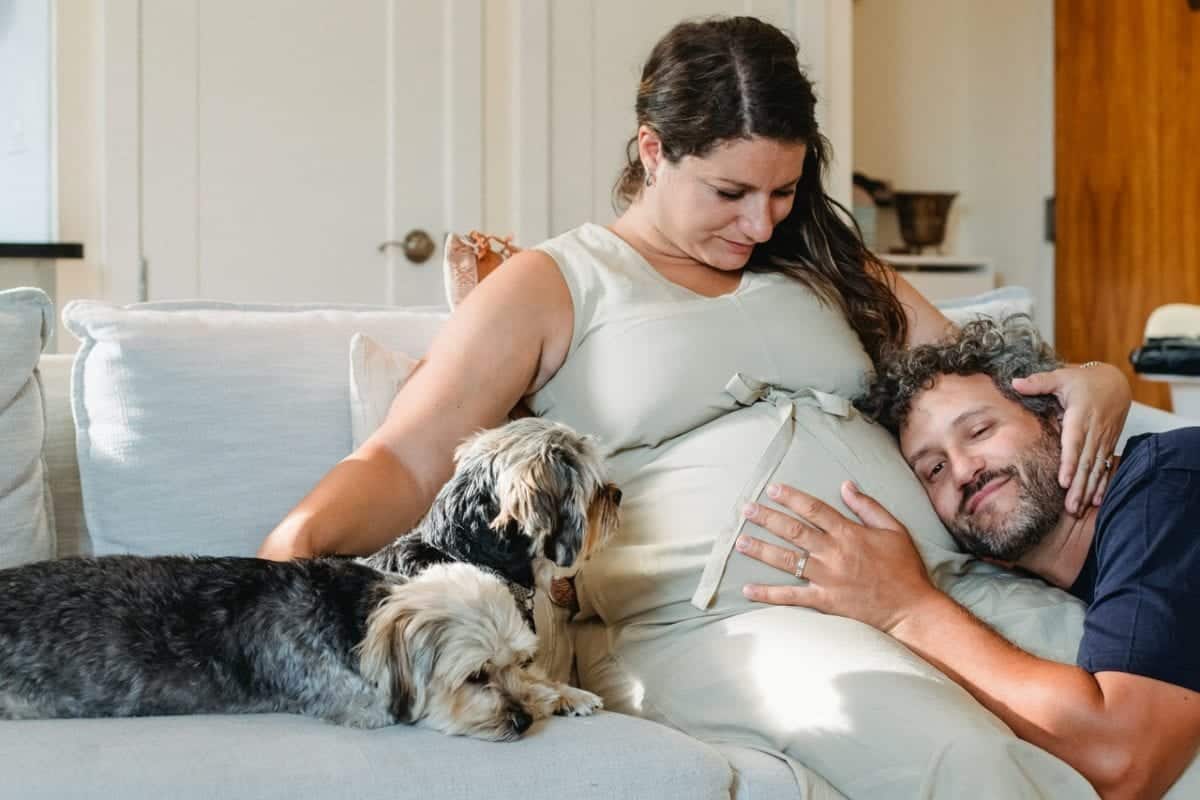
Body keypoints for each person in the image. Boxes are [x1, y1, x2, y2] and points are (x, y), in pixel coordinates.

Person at [259, 17, 1129, 798]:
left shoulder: (821, 264)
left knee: (1149, 714)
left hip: (936, 581)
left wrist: (1098, 379)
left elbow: (972, 381)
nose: (759, 223)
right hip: (728, 623)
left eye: (782, 191)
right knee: (960, 762)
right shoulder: (557, 284)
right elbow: (409, 460)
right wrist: (289, 553)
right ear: (651, 150)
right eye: (729, 192)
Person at [736, 316, 1199, 799]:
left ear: (1059, 418)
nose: (963, 470)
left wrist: (907, 609)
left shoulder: (1168, 485)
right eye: (933, 468)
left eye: (979, 430)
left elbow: (1123, 759)